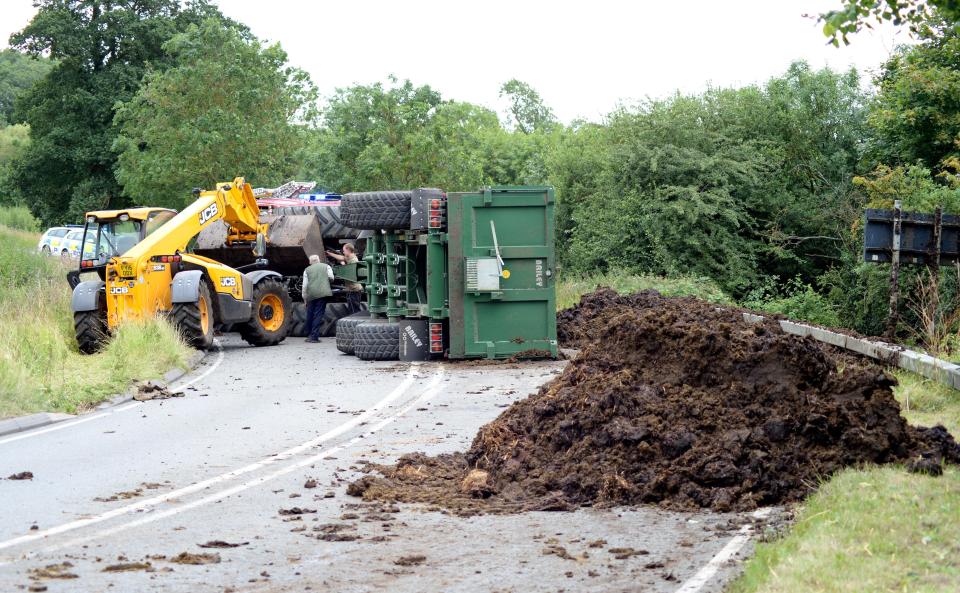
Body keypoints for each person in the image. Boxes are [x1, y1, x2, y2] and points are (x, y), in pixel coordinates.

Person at [303, 254, 334, 343]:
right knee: (318, 314)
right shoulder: (326, 266)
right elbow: (331, 278)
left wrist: (304, 299)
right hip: (323, 293)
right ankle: (314, 337)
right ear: (319, 260)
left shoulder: (307, 270)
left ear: (310, 262)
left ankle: (309, 334)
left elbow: (304, 286)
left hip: (311, 294)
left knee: (310, 314)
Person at [326, 243, 363, 313]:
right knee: (353, 308)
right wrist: (330, 254)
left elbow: (349, 273)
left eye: (344, 251)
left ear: (348, 250)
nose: (343, 252)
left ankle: (355, 322)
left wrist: (343, 265)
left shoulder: (354, 261)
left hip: (353, 290)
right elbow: (342, 257)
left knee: (354, 310)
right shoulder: (351, 257)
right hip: (352, 289)